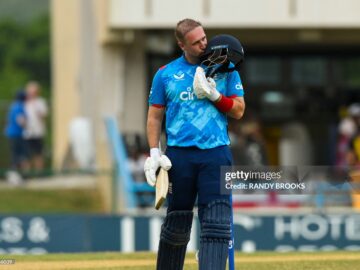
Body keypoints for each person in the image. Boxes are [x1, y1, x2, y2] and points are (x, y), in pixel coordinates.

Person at [144, 18, 245, 270]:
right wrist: (154, 152)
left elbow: (239, 110)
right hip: (179, 157)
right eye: (196, 42)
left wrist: (214, 95)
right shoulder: (165, 74)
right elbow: (154, 116)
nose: (203, 44)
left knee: (217, 221)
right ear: (182, 45)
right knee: (177, 222)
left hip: (216, 154)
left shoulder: (226, 67)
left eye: (204, 38)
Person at [23, 81, 48, 172]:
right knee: (26, 154)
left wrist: (38, 111)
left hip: (38, 131)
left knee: (38, 153)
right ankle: (27, 173)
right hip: (27, 132)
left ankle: (39, 173)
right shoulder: (24, 103)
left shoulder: (40, 102)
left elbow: (44, 115)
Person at [4, 90, 28, 184]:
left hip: (12, 133)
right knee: (17, 155)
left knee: (15, 155)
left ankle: (15, 175)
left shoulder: (14, 105)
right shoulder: (19, 106)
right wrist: (27, 125)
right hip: (16, 134)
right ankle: (16, 176)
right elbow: (21, 120)